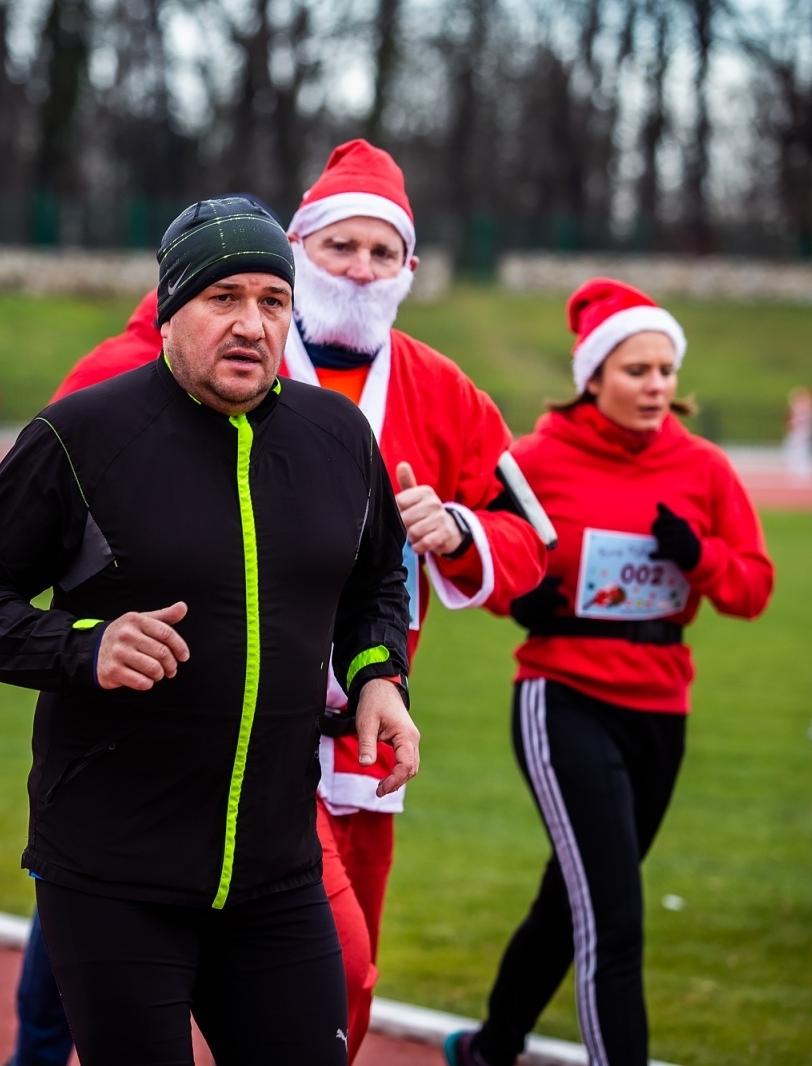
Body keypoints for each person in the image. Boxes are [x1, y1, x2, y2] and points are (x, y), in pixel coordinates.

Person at [32, 141, 549, 1062]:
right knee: (125, 941)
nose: (358, 267)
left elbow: (529, 549)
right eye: (337, 246)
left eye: (380, 252)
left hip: (359, 745)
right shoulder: (173, 352)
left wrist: (460, 533)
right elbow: (59, 494)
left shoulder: (442, 392)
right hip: (170, 733)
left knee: (330, 987)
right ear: (295, 245)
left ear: (410, 270)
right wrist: (90, 638)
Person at [0, 195, 421, 1066]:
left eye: (272, 300)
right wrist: (83, 646)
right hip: (114, 876)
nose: (252, 324)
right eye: (223, 298)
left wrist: (379, 675)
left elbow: (377, 577)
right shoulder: (84, 436)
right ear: (169, 310)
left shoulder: (337, 438)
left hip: (275, 870)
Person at [445, 278, 775, 1066]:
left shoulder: (705, 469)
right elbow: (483, 561)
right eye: (636, 370)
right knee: (617, 919)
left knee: (575, 899)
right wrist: (521, 600)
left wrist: (700, 559)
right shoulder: (531, 461)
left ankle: (490, 1048)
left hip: (663, 705)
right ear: (592, 376)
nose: (656, 385)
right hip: (564, 699)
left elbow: (754, 588)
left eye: (666, 370)